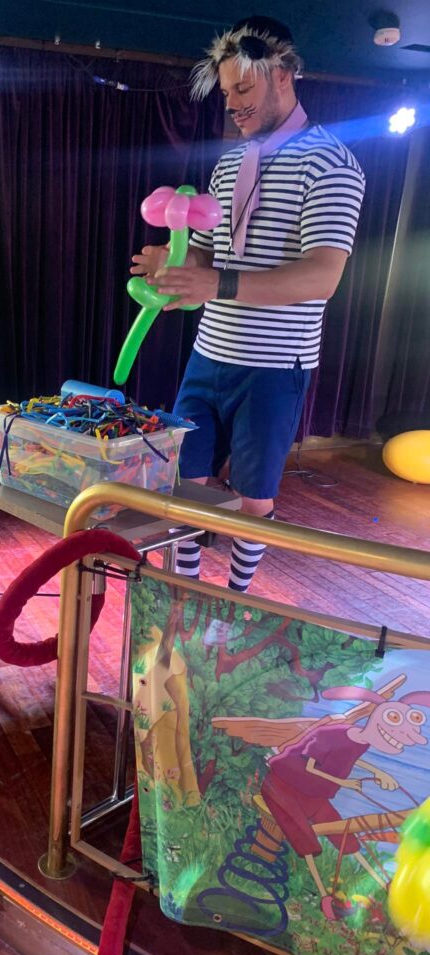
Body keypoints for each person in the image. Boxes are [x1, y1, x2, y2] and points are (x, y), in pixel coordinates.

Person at [131, 15, 365, 592]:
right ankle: (185, 597)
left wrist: (215, 285)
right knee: (185, 485)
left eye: (243, 89)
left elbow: (322, 276)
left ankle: (234, 602)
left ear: (283, 74)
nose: (232, 105)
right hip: (209, 354)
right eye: (226, 92)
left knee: (255, 499)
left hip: (275, 366)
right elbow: (209, 255)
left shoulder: (332, 162)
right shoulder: (231, 161)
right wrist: (173, 264)